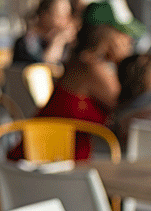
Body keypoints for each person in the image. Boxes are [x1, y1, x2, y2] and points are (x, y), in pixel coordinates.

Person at [31, 23, 129, 160]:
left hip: (45, 152)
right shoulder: (91, 67)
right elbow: (127, 104)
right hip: (51, 160)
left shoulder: (78, 61)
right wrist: (126, 62)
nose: (128, 42)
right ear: (109, 38)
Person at [12, 0, 76, 65]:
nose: (66, 21)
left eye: (68, 16)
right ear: (44, 15)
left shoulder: (70, 43)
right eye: (60, 16)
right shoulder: (27, 41)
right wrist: (58, 41)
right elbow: (43, 66)